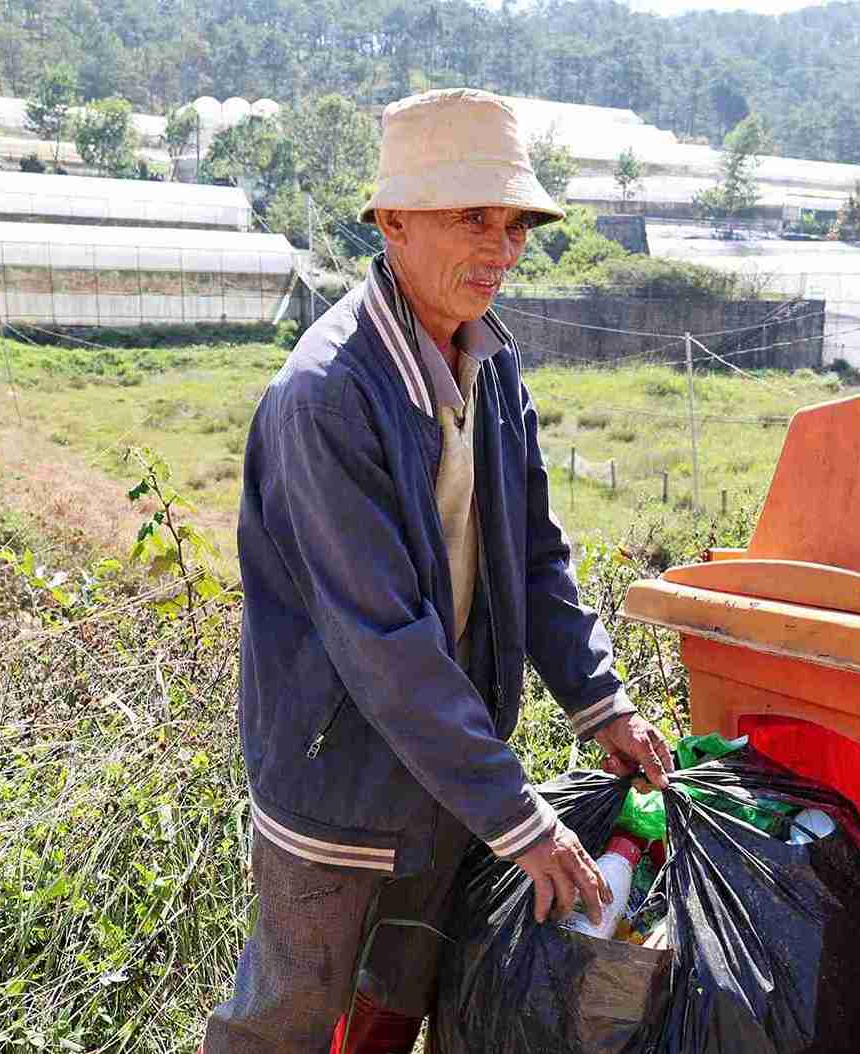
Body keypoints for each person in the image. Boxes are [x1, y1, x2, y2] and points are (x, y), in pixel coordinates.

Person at [202, 88, 674, 1054]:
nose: (499, 247)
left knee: (400, 993)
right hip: (338, 776)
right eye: (470, 217)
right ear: (391, 222)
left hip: (445, 774)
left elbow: (535, 556)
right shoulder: (328, 397)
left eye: (514, 225)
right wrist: (520, 815)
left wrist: (601, 704)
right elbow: (382, 643)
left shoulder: (489, 366)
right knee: (291, 1013)